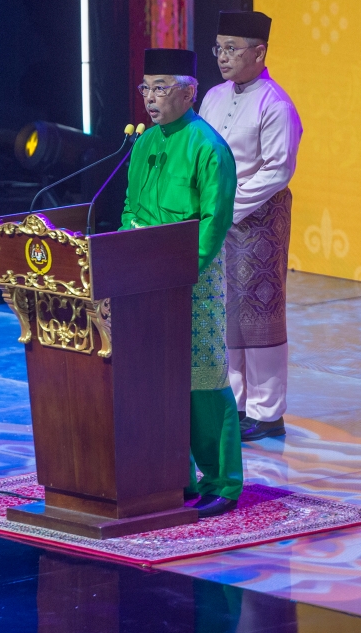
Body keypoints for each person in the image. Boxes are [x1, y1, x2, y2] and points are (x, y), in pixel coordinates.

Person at [121, 48, 242, 518]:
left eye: (161, 88)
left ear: (189, 92)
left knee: (203, 379)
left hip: (194, 279)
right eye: (145, 88)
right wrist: (130, 255)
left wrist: (176, 270)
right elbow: (130, 208)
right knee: (156, 379)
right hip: (143, 279)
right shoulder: (145, 144)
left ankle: (223, 483)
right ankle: (173, 474)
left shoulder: (208, 147)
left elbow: (214, 224)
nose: (151, 98)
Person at [199, 11, 303, 442]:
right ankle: (238, 401)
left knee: (259, 314)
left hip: (257, 219)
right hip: (218, 216)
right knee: (226, 310)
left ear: (259, 52)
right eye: (218, 47)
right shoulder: (213, 96)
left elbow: (277, 170)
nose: (222, 57)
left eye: (232, 48)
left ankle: (268, 411)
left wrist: (227, 205)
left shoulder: (275, 103)